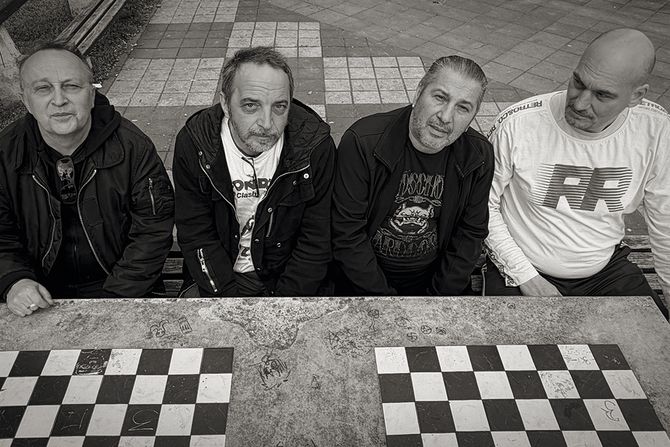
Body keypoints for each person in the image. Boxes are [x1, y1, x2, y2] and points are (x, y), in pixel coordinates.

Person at [485, 28, 670, 318]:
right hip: (523, 266)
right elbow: (483, 205)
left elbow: (665, 222)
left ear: (636, 96)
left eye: (602, 95)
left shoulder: (655, 130)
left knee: (653, 337)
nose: (580, 103)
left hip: (606, 270)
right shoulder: (519, 123)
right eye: (578, 82)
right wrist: (525, 276)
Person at [0, 41, 175, 317]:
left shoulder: (133, 148)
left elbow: (152, 232)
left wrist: (114, 300)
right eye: (43, 89)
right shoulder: (6, 153)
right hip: (36, 292)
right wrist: (15, 280)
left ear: (91, 95)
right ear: (26, 102)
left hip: (123, 289)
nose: (59, 100)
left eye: (71, 86)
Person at [173, 47, 335, 297]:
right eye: (251, 105)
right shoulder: (196, 144)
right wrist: (228, 300)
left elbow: (315, 239)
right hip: (218, 279)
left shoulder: (314, 147)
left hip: (286, 281)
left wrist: (283, 304)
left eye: (280, 107)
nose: (267, 123)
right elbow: (196, 233)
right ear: (225, 103)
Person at [331, 55, 494, 295]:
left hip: (434, 285)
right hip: (362, 285)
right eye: (440, 97)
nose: (445, 117)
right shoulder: (363, 142)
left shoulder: (478, 156)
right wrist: (388, 302)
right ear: (418, 93)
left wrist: (436, 299)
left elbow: (470, 234)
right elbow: (347, 234)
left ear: (472, 117)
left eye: (463, 107)